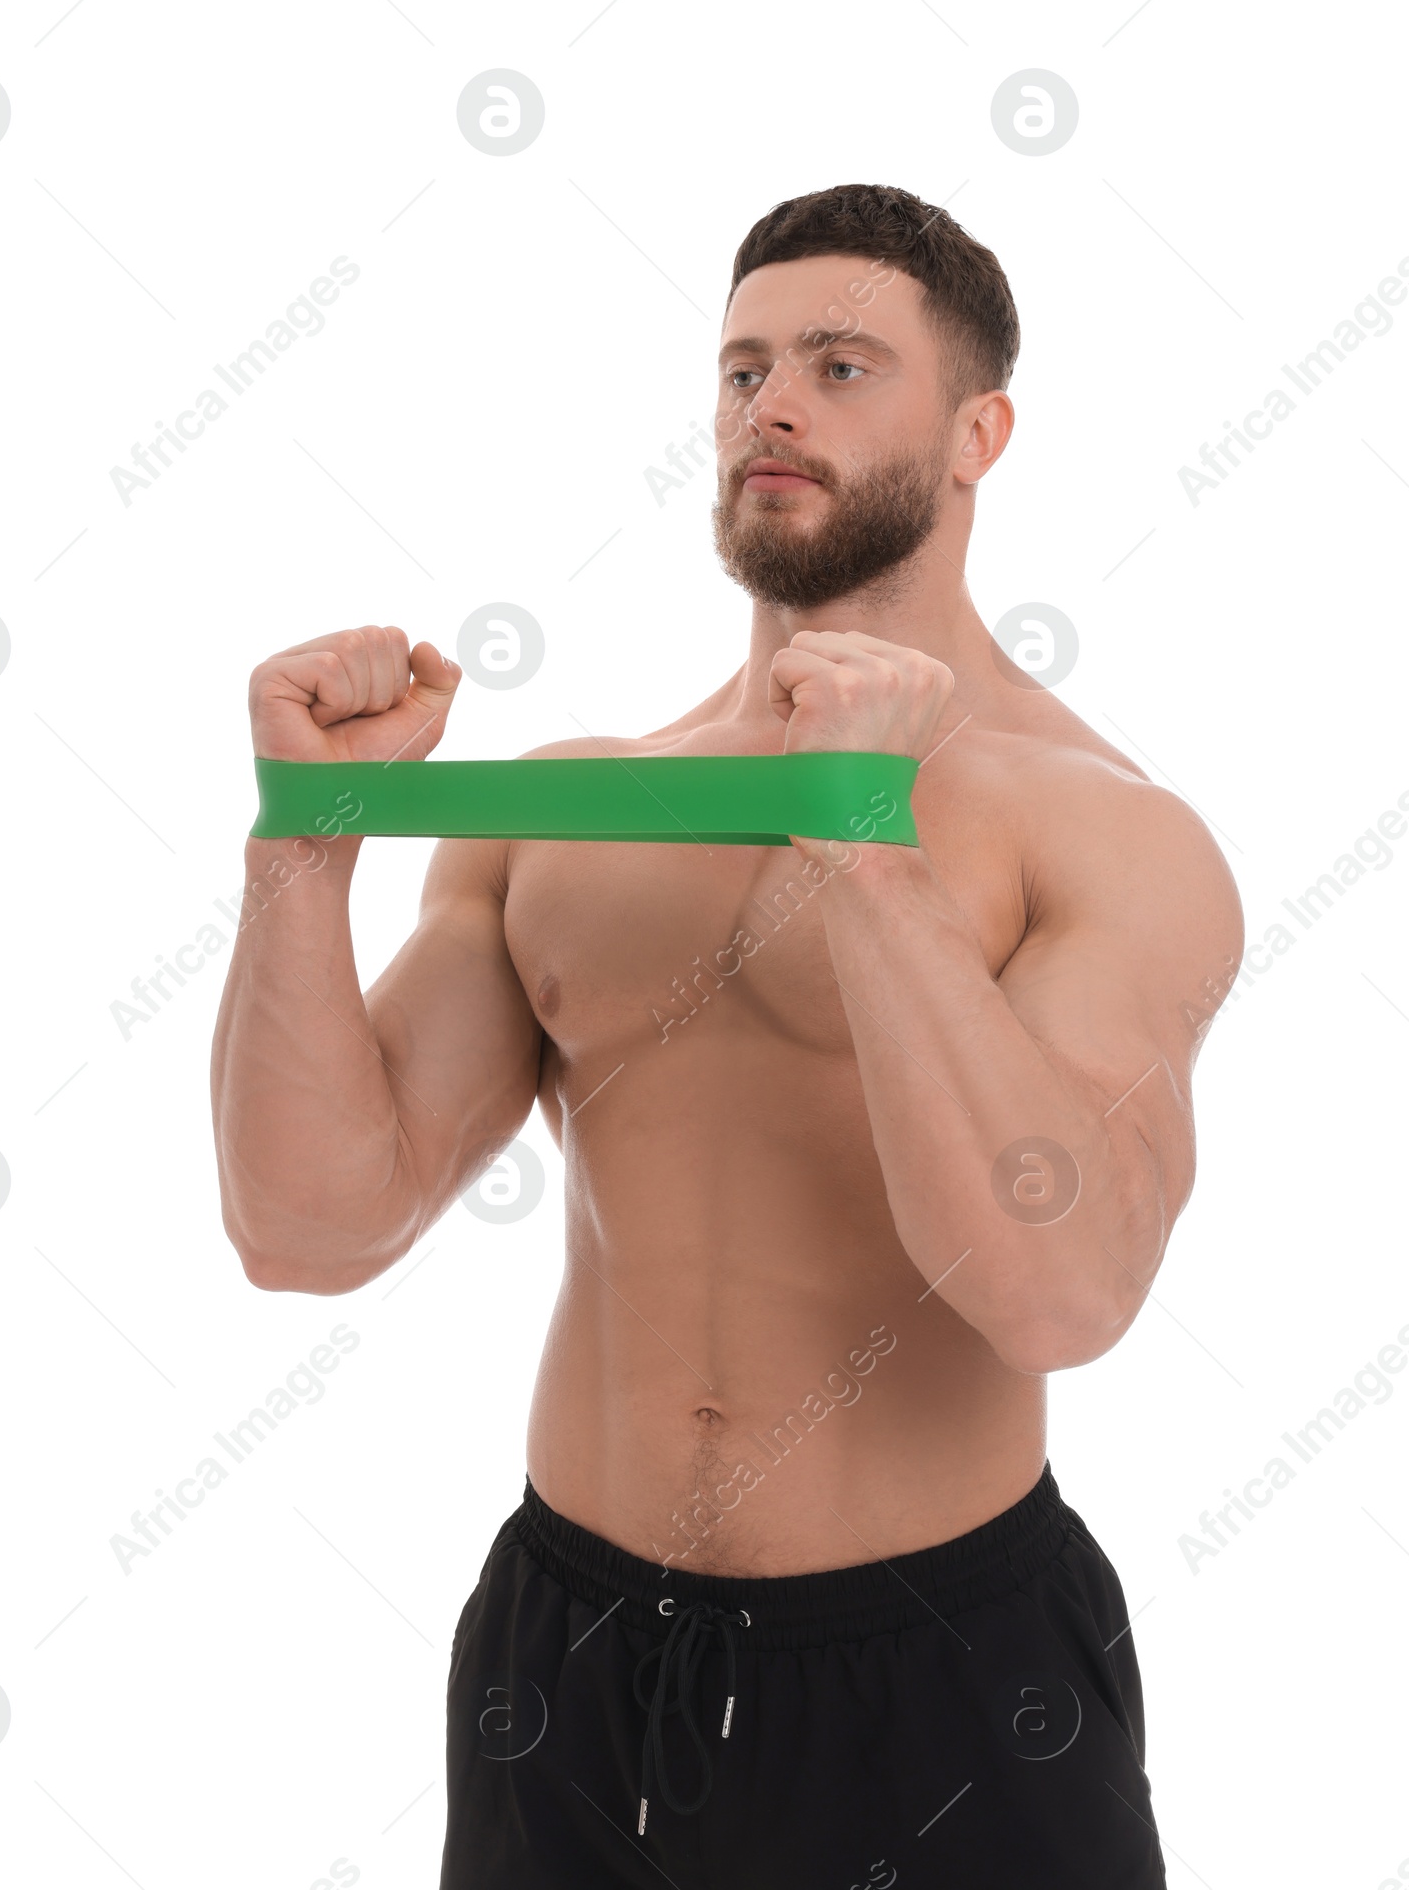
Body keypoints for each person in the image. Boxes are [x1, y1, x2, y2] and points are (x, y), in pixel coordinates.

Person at [212, 182, 1242, 1887]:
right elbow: (307, 1225)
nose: (770, 404)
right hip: (570, 1656)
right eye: (745, 367)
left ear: (981, 431)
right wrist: (302, 847)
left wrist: (864, 844)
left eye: (844, 368)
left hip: (943, 1677)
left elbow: (1062, 1293)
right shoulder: (568, 810)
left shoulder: (1104, 833)